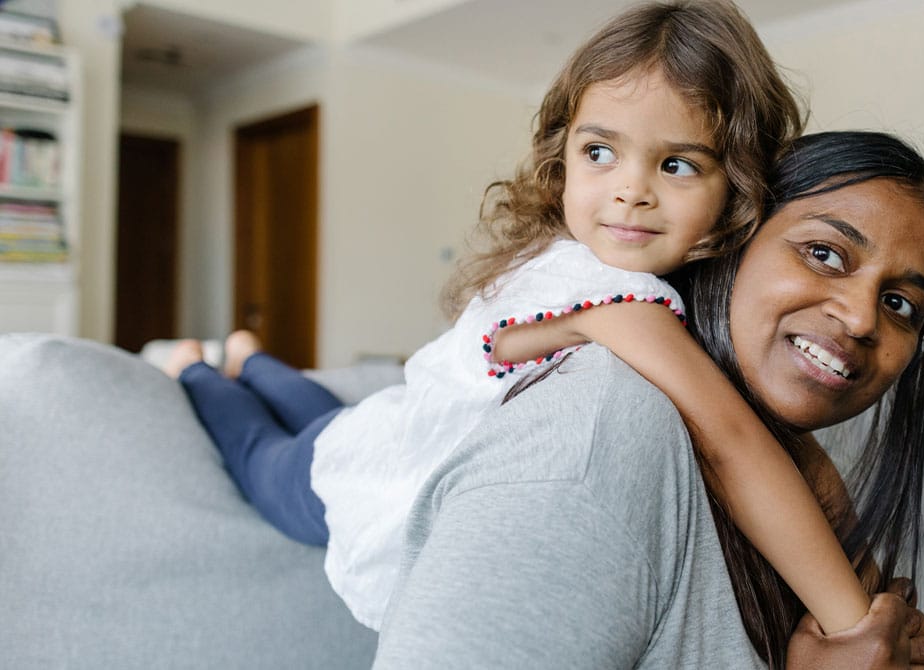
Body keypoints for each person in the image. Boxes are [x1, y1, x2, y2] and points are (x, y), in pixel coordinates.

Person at [166, 0, 883, 640]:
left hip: (389, 420)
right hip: (365, 468)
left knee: (318, 411)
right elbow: (732, 440)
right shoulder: (605, 292)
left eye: (678, 166)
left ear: (737, 192)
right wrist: (856, 622)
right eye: (600, 152)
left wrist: (876, 581)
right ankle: (200, 368)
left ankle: (253, 358)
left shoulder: (647, 282)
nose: (630, 191)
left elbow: (783, 447)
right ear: (563, 158)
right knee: (263, 452)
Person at [373, 130, 924, 669]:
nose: (861, 318)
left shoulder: (797, 458)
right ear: (728, 237)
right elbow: (730, 442)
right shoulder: (595, 440)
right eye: (824, 253)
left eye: (901, 304)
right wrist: (854, 624)